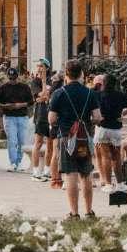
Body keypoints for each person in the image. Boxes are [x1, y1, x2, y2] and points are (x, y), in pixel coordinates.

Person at [47, 63, 96, 220]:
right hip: (84, 138)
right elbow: (97, 116)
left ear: (66, 75)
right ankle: (89, 212)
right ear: (81, 74)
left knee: (71, 175)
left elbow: (52, 119)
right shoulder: (89, 93)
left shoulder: (59, 93)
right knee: (86, 174)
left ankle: (74, 213)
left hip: (66, 137)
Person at [90, 70, 127, 190]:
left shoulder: (98, 95)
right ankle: (120, 184)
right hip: (116, 129)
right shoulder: (120, 95)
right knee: (116, 157)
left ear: (103, 83)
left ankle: (108, 184)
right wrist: (125, 112)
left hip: (103, 128)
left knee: (105, 157)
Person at [0, 64, 35, 172]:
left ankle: (19, 162)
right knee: (12, 141)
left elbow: (31, 102)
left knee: (21, 141)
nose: (12, 80)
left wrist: (21, 105)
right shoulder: (3, 88)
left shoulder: (25, 87)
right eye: (10, 78)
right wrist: (5, 106)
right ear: (8, 77)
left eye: (14, 78)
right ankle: (13, 163)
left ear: (17, 76)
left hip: (22, 117)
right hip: (9, 117)